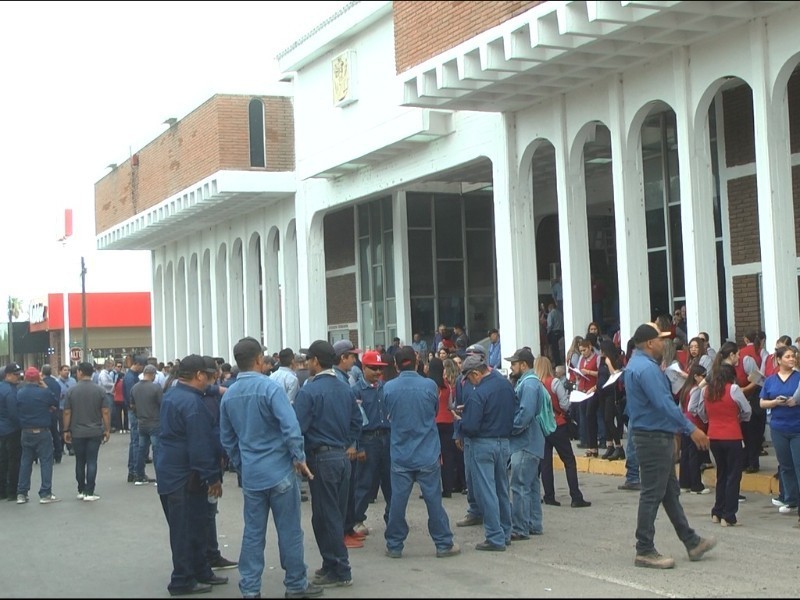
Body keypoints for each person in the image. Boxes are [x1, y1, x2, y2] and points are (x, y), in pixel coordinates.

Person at [219, 337, 322, 600]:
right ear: (257, 360)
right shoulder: (270, 389)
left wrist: (241, 463)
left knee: (253, 532)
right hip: (280, 471)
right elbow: (291, 427)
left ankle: (251, 588)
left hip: (252, 474)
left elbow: (227, 438)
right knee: (289, 530)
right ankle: (296, 584)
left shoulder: (229, 394)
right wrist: (298, 457)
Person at [624, 322, 716, 569]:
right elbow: (664, 404)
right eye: (660, 339)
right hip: (654, 437)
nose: (664, 343)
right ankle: (644, 549)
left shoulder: (637, 365)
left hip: (652, 434)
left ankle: (692, 541)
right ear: (649, 343)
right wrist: (691, 429)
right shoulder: (647, 369)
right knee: (652, 493)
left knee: (669, 493)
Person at [156, 354, 228, 596]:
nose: (210, 380)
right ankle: (182, 579)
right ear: (198, 375)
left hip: (173, 472)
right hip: (184, 476)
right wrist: (213, 477)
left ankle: (199, 569)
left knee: (194, 526)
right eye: (208, 376)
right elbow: (199, 444)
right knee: (185, 529)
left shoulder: (174, 395)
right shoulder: (191, 403)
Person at [294, 340, 361, 588]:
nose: (306, 363)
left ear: (316, 361)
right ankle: (331, 563)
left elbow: (298, 428)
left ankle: (340, 568)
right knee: (332, 513)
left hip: (321, 457)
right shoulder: (345, 389)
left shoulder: (309, 391)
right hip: (341, 457)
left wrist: (296, 456)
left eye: (308, 359)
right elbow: (357, 421)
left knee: (326, 515)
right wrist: (347, 443)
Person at [383, 346, 460, 559]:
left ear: (397, 365)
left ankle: (394, 544)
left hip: (401, 452)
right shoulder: (429, 386)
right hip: (427, 451)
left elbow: (388, 414)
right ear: (416, 362)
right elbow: (434, 412)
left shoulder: (389, 388)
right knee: (433, 500)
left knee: (398, 501)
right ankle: (443, 542)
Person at [458, 354, 514, 551]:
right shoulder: (506, 384)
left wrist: (461, 420)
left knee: (487, 491)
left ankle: (494, 536)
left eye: (469, 378)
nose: (469, 382)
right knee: (501, 489)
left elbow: (471, 426)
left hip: (484, 443)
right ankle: (506, 532)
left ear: (475, 373)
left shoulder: (478, 392)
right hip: (504, 442)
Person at [694, 362, 751, 526]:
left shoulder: (706, 390)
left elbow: (700, 411)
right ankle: (729, 514)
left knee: (722, 473)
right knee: (733, 475)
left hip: (714, 435)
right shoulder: (733, 389)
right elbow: (746, 410)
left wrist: (709, 421)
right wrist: (740, 419)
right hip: (732, 435)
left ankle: (717, 511)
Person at [536, 356, 590, 508]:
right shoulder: (554, 382)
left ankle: (549, 495)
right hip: (557, 424)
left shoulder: (535, 384)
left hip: (542, 426)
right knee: (568, 460)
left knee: (545, 462)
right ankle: (575, 496)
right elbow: (565, 405)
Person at [350, 350, 391, 536]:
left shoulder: (385, 387)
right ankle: (357, 519)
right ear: (364, 368)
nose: (377, 372)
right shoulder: (356, 390)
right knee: (364, 483)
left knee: (391, 482)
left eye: (380, 369)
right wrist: (357, 446)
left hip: (387, 438)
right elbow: (354, 420)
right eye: (373, 368)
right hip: (368, 439)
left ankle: (392, 518)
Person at [505, 348, 545, 542]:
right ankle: (534, 524)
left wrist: (511, 429)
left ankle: (520, 527)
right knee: (531, 485)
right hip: (532, 442)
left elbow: (525, 413)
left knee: (519, 484)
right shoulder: (530, 382)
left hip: (525, 442)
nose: (511, 367)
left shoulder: (528, 385)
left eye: (514, 363)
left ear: (523, 364)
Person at [760, 345, 800, 523]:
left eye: (794, 356)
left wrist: (795, 401)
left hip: (797, 426)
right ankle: (791, 499)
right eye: (788, 357)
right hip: (778, 427)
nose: (792, 359)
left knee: (798, 463)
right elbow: (762, 403)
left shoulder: (799, 378)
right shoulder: (770, 380)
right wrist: (775, 402)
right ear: (779, 359)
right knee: (786, 465)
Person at [63, 362, 111, 502]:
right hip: (95, 430)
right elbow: (105, 412)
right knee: (92, 460)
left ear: (79, 372)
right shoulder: (100, 390)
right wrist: (107, 429)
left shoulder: (71, 391)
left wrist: (66, 429)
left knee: (80, 461)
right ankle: (90, 491)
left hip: (77, 431)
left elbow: (67, 412)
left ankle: (81, 489)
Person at [15, 367, 60, 504]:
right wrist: (44, 385)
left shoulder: (20, 393)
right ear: (38, 378)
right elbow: (55, 402)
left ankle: (22, 493)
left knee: (25, 461)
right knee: (46, 461)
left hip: (26, 431)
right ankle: (45, 493)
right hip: (42, 431)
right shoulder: (44, 393)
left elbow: (17, 408)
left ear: (26, 378)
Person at [130, 364, 162, 485]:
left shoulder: (135, 388)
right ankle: (159, 477)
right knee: (157, 450)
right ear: (153, 374)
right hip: (154, 422)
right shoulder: (156, 388)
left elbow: (132, 405)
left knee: (141, 449)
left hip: (141, 422)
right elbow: (161, 404)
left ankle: (139, 476)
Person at [0, 363, 23, 501]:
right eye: (15, 374)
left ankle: (1, 490)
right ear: (7, 375)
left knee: (2, 460)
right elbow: (14, 413)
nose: (18, 377)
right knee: (14, 460)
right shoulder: (10, 391)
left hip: (1, 429)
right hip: (11, 429)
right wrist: (21, 425)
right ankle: (12, 491)